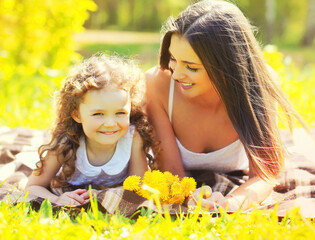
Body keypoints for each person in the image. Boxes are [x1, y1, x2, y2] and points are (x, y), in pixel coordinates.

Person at [145, 0, 308, 211]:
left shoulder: (259, 84)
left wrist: (230, 203)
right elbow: (172, 174)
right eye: (174, 59)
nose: (176, 74)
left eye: (192, 67)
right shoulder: (158, 84)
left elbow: (265, 175)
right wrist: (190, 198)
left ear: (226, 65)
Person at [25, 54, 156, 206]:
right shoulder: (65, 140)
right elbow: (32, 186)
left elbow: (139, 188)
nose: (110, 123)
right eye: (98, 114)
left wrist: (104, 195)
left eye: (120, 113)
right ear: (77, 115)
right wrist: (56, 199)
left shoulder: (132, 138)